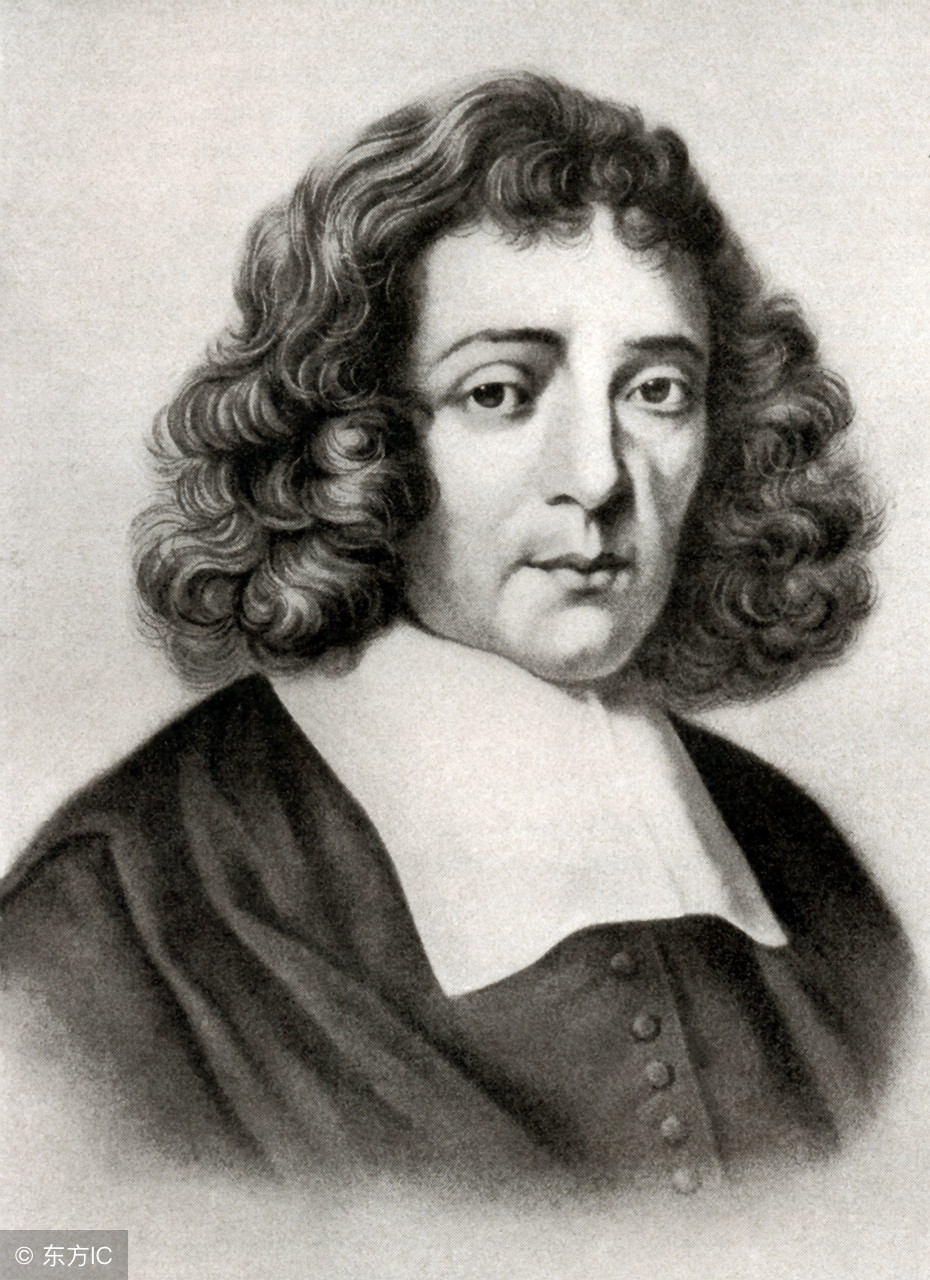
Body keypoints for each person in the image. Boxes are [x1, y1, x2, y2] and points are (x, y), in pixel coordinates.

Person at [0, 73, 914, 1197]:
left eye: (657, 391)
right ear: (362, 437)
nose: (597, 477)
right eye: (499, 392)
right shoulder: (120, 916)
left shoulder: (798, 861)